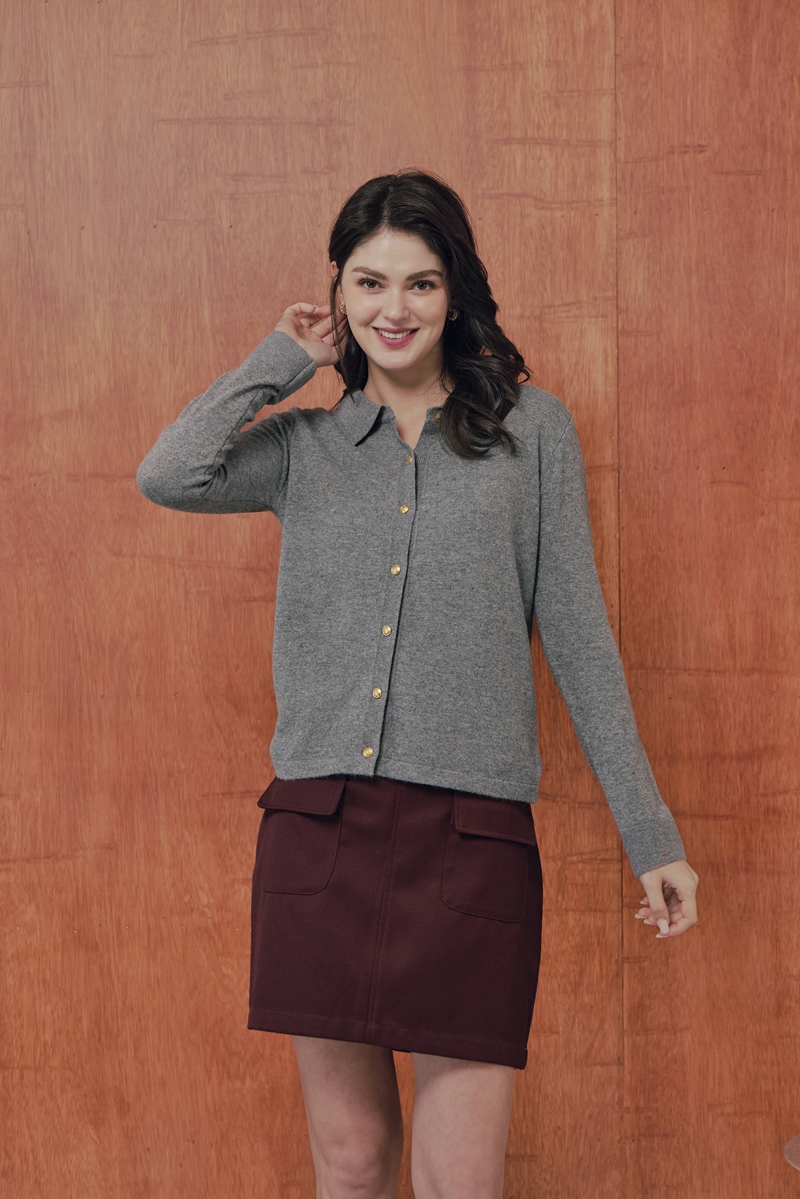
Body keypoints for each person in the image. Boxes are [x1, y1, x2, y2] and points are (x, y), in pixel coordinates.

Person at [136, 169, 699, 1199]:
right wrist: (280, 361)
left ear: (455, 293)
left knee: (456, 1180)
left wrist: (650, 834)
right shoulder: (305, 447)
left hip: (469, 843)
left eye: (421, 282)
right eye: (369, 282)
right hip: (319, 835)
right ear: (338, 295)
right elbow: (169, 472)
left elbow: (579, 638)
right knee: (351, 1162)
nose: (393, 308)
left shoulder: (531, 434)